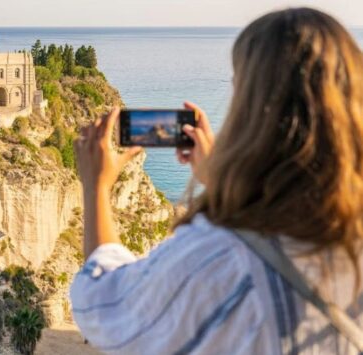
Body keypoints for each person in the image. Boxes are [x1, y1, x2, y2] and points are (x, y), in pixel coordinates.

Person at [70, 7, 363, 354]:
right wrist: (221, 180)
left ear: (251, 109)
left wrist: (97, 187)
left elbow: (105, 302)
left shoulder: (219, 260)